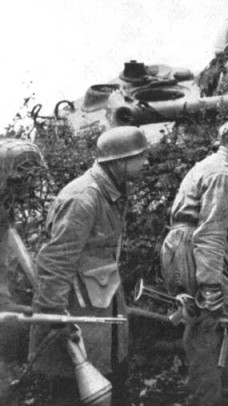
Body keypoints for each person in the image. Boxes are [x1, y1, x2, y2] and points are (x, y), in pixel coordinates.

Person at [29, 126, 149, 405]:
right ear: (120, 161)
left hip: (99, 303)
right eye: (141, 156)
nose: (146, 162)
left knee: (111, 379)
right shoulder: (84, 197)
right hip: (75, 311)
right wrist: (55, 318)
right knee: (72, 389)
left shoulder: (112, 188)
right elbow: (54, 262)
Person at [161, 114, 228, 406]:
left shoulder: (217, 166)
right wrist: (210, 287)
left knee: (213, 330)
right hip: (196, 254)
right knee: (206, 335)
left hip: (188, 251)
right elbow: (210, 234)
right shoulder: (223, 174)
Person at [0, 138, 47, 313]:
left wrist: (3, 301)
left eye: (32, 179)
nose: (29, 187)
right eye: (22, 180)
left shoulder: (3, 210)